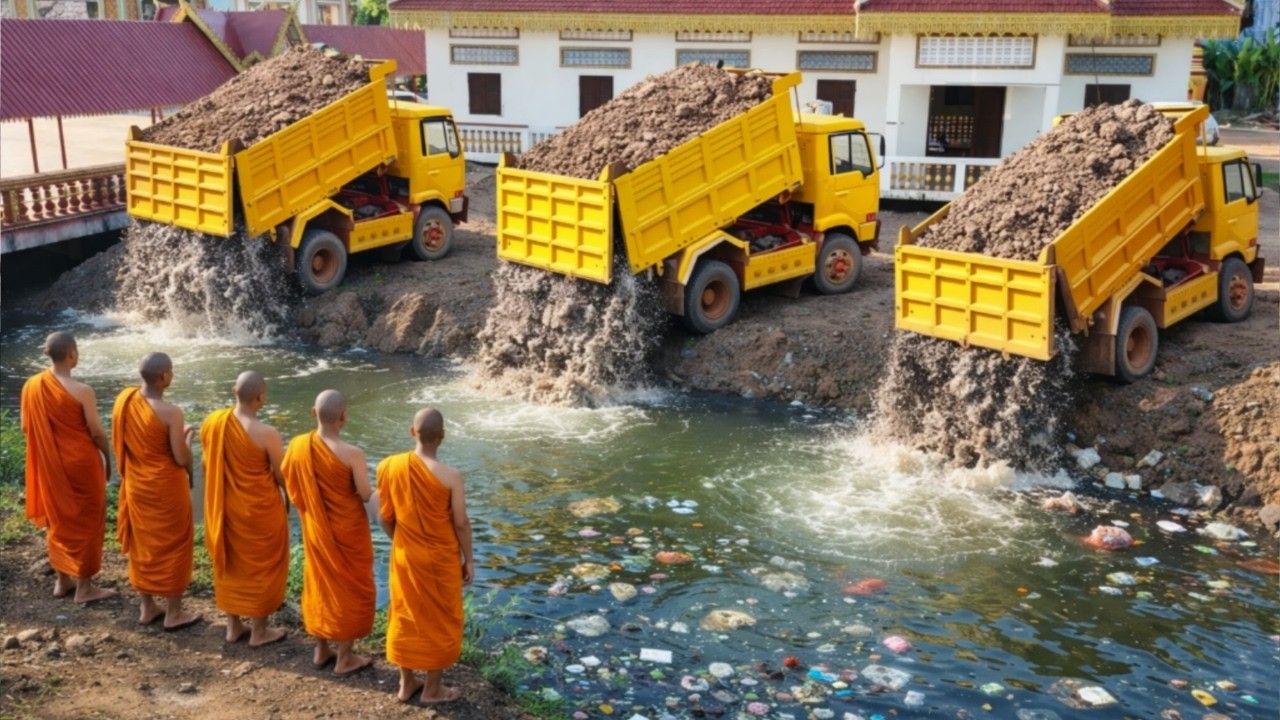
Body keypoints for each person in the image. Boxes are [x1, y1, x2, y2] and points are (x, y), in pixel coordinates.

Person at [378, 408, 474, 705]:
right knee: (439, 620)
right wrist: (469, 559)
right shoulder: (451, 476)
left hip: (405, 555)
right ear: (442, 436)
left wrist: (402, 541)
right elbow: (461, 523)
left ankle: (406, 683)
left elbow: (384, 517)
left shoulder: (389, 466)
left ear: (412, 432)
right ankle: (432, 689)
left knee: (405, 613)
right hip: (441, 559)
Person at [282, 390, 375, 677]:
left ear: (314, 412)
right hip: (348, 532)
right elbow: (365, 493)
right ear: (344, 416)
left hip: (316, 527)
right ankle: (344, 658)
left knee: (320, 583)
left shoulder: (297, 445)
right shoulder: (352, 454)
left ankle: (321, 649)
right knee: (350, 589)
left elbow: (289, 480)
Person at [20, 331, 117, 604]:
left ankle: (63, 581)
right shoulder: (83, 390)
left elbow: (26, 427)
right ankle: (84, 587)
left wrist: (50, 447)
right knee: (88, 520)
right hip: (81, 464)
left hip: (49, 463)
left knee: (58, 519)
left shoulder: (31, 385)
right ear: (72, 354)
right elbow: (96, 432)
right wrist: (108, 458)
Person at [111, 352, 201, 631]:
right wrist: (187, 437)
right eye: (170, 372)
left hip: (137, 485)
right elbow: (180, 457)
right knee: (174, 544)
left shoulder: (125, 400)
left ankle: (147, 606)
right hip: (166, 488)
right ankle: (174, 613)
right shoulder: (171, 412)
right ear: (164, 377)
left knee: (144, 544)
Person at [200, 370, 289, 647]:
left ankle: (233, 626)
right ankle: (259, 631)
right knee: (261, 567)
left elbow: (206, 464)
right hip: (259, 511)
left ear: (233, 391)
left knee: (231, 563)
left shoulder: (213, 422)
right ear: (261, 398)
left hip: (225, 508)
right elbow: (281, 475)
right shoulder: (267, 433)